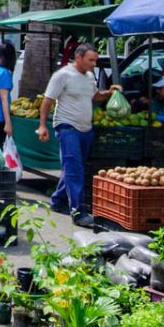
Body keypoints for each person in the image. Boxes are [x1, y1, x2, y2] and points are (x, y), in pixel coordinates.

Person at [36, 43, 115, 223]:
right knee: (74, 169)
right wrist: (42, 125)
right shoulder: (63, 75)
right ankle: (78, 212)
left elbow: (94, 96)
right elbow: (47, 101)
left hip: (86, 129)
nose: (94, 64)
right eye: (91, 60)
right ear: (78, 58)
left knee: (72, 167)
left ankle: (57, 201)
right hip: (67, 127)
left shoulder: (89, 77)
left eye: (95, 60)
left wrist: (109, 93)